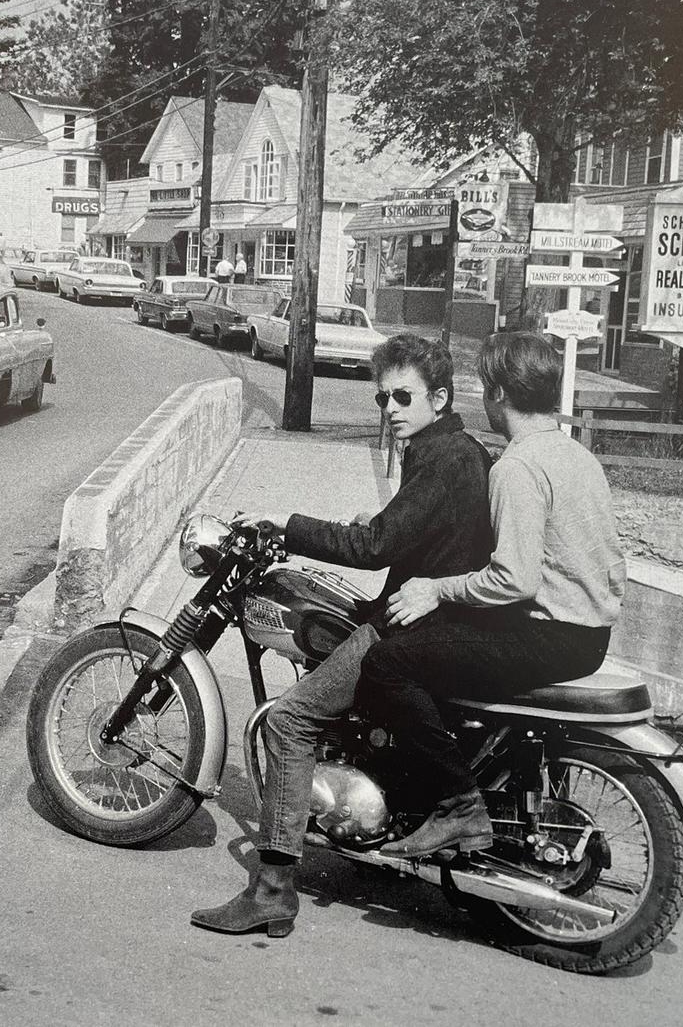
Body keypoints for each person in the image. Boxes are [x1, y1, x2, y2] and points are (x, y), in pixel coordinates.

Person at [190, 334, 494, 938]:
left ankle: (273, 890)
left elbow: (376, 547)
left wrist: (288, 527)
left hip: (418, 622)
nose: (391, 409)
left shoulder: (442, 458)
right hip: (439, 616)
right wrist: (379, 525)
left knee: (290, 721)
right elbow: (412, 534)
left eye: (404, 396)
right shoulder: (456, 449)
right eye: (382, 399)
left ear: (439, 397)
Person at [355, 332, 626, 859]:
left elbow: (515, 580)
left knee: (389, 662)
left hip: (547, 635)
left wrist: (438, 588)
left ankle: (459, 807)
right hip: (589, 632)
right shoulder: (575, 455)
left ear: (497, 393)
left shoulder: (517, 468)